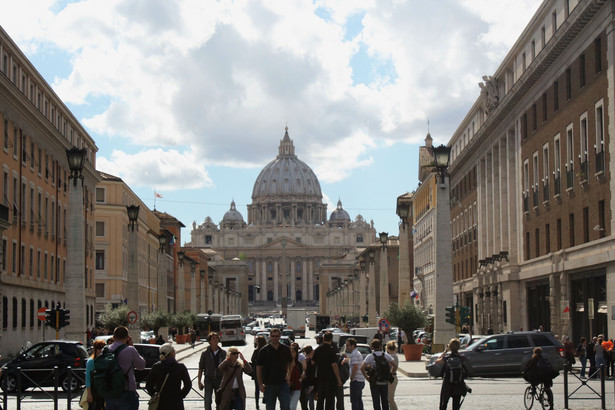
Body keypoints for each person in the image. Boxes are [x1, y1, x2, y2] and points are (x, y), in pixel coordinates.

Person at [106, 326, 146, 410]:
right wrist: (132, 345)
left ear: (114, 337)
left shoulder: (106, 350)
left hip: (110, 389)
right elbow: (141, 366)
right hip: (127, 389)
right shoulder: (130, 350)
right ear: (128, 337)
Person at [145, 343, 192, 409]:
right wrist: (180, 395)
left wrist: (155, 395)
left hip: (161, 403)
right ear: (171, 353)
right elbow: (188, 385)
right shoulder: (180, 367)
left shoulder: (156, 367)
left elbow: (148, 385)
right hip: (176, 403)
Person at [257, 327, 292, 410]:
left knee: (286, 407)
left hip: (283, 384)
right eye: (273, 336)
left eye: (276, 336)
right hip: (269, 385)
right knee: (270, 407)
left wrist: (289, 374)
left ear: (280, 337)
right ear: (270, 337)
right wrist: (260, 384)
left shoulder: (285, 349)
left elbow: (291, 362)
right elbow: (258, 368)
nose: (275, 338)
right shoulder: (264, 350)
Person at [360, 339, 396, 410]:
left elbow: (362, 367)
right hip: (384, 381)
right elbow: (395, 365)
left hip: (374, 381)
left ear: (372, 347)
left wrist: (367, 377)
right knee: (385, 402)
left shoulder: (370, 356)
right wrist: (390, 374)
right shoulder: (385, 355)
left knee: (376, 402)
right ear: (380, 346)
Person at [435, 338, 469, 410]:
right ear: (459, 347)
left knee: (444, 404)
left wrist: (446, 351)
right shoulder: (462, 358)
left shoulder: (446, 358)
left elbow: (437, 361)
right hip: (458, 384)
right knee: (456, 406)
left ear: (449, 347)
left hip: (447, 384)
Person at [312, 332, 342, 410]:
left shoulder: (318, 349)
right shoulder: (332, 350)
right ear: (331, 340)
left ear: (323, 339)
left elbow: (313, 362)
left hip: (320, 378)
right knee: (330, 400)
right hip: (330, 378)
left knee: (320, 399)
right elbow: (334, 365)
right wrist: (338, 379)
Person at [198, 332, 227, 410]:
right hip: (208, 379)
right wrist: (199, 381)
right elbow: (201, 368)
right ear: (209, 341)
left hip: (220, 379)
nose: (215, 340)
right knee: (207, 400)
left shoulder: (223, 353)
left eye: (217, 338)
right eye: (213, 338)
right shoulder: (205, 353)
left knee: (219, 400)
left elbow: (227, 368)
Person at [85, 340, 106, 410]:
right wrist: (89, 393)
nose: (101, 350)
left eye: (103, 348)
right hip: (94, 391)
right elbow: (87, 377)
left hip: (104, 391)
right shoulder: (91, 361)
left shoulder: (107, 360)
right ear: (95, 349)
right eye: (99, 348)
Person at [345, 338, 365, 410]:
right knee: (358, 399)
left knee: (354, 400)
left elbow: (355, 367)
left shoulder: (354, 354)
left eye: (348, 345)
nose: (347, 347)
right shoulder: (357, 353)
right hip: (360, 380)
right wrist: (348, 360)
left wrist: (352, 377)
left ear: (353, 346)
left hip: (356, 380)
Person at [252, 335, 267, 410]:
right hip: (265, 372)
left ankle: (257, 404)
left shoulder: (257, 351)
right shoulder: (267, 349)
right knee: (265, 387)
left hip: (257, 372)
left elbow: (252, 359)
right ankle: (265, 399)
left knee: (257, 388)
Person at [300, 346, 316, 410]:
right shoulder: (311, 362)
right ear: (311, 351)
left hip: (304, 383)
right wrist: (312, 384)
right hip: (310, 383)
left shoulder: (303, 361)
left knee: (305, 401)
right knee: (311, 401)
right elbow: (312, 374)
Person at [385, 341, 399, 410]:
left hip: (392, 377)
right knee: (389, 398)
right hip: (393, 377)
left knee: (390, 398)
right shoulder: (394, 355)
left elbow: (392, 366)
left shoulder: (391, 356)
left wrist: (390, 374)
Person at [289, 345, 303, 410]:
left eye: (293, 352)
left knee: (292, 407)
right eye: (290, 352)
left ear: (296, 353)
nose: (291, 353)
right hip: (286, 388)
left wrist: (302, 378)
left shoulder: (299, 364)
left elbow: (302, 373)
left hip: (297, 387)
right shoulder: (285, 364)